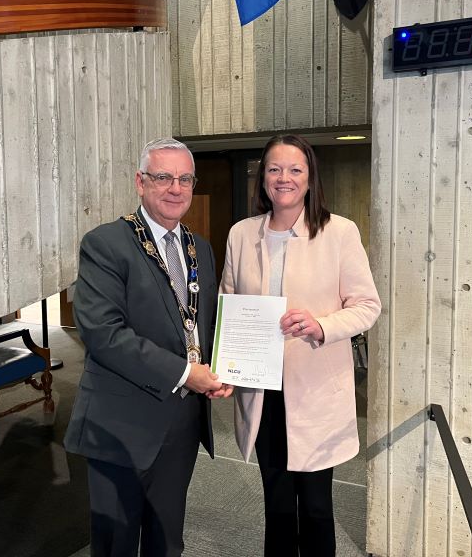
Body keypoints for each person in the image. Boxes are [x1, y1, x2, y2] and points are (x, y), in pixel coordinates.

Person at [64, 138, 231, 557]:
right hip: (122, 423)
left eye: (184, 179)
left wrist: (222, 366)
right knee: (116, 544)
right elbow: (104, 333)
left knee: (167, 539)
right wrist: (184, 372)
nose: (175, 188)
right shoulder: (105, 243)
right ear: (140, 183)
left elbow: (201, 324)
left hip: (182, 421)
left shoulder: (201, 249)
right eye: (162, 177)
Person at [220, 134, 381, 556]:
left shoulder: (338, 232)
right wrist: (227, 365)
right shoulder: (241, 234)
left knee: (314, 506)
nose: (283, 178)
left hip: (314, 391)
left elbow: (367, 306)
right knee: (275, 504)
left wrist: (321, 325)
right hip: (262, 389)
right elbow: (228, 307)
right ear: (263, 179)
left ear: (310, 179)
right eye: (274, 169)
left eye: (295, 169)